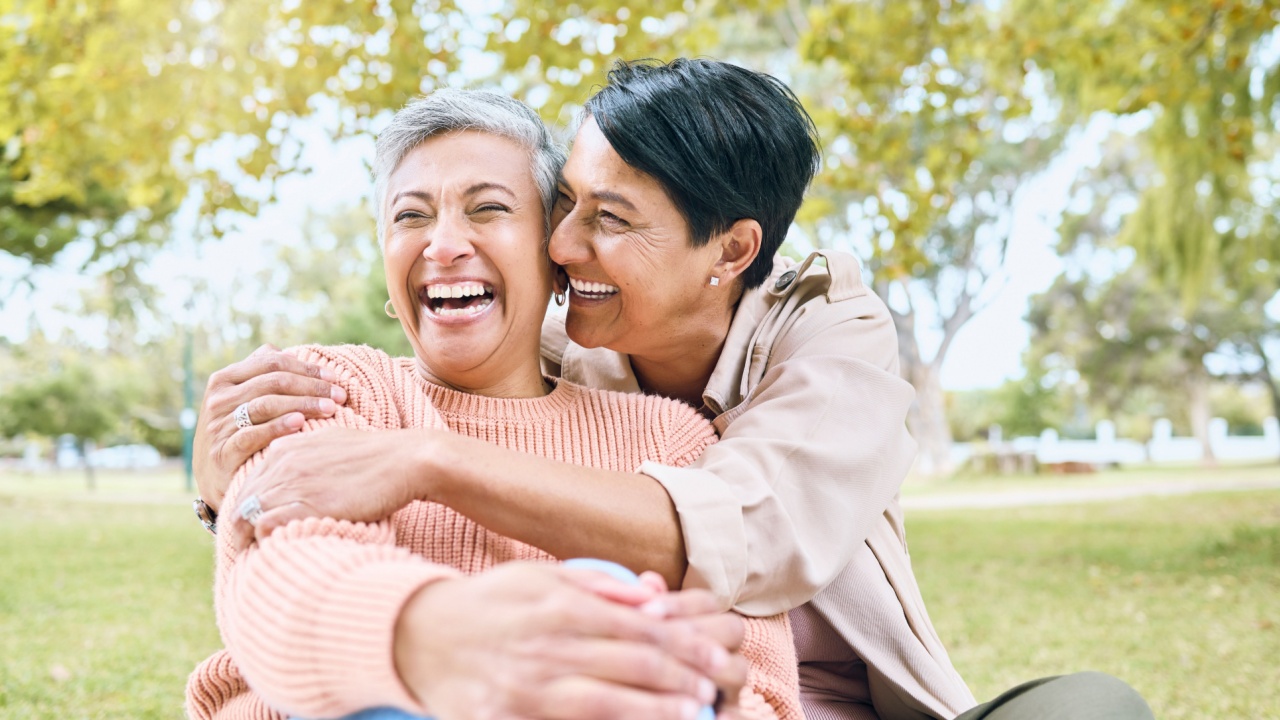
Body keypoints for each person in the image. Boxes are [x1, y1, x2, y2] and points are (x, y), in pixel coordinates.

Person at [194, 59, 1153, 720]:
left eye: (605, 220)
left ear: (731, 250)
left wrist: (428, 462)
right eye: (566, 206)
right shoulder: (474, 360)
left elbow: (746, 545)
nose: (567, 247)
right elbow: (303, 532)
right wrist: (229, 483)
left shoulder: (827, 342)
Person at [185, 89, 802, 720]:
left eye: (488, 209)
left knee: (623, 613)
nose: (444, 244)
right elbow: (283, 576)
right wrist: (443, 641)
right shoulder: (336, 387)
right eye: (411, 217)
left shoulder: (669, 438)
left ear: (554, 251)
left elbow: (764, 690)